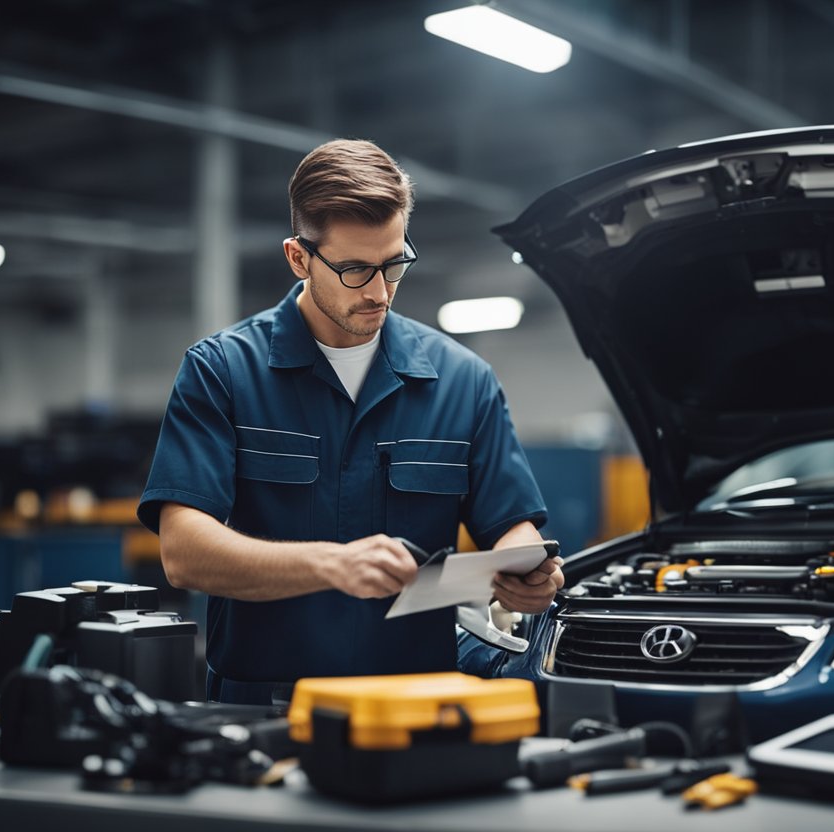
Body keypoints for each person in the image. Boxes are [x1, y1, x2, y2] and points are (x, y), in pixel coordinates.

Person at [137, 139, 563, 705]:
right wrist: (332, 564)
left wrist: (526, 572)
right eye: (357, 269)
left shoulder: (465, 381)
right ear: (298, 258)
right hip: (266, 709)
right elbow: (183, 552)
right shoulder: (223, 372)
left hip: (418, 707)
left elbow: (510, 525)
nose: (381, 292)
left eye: (395, 263)